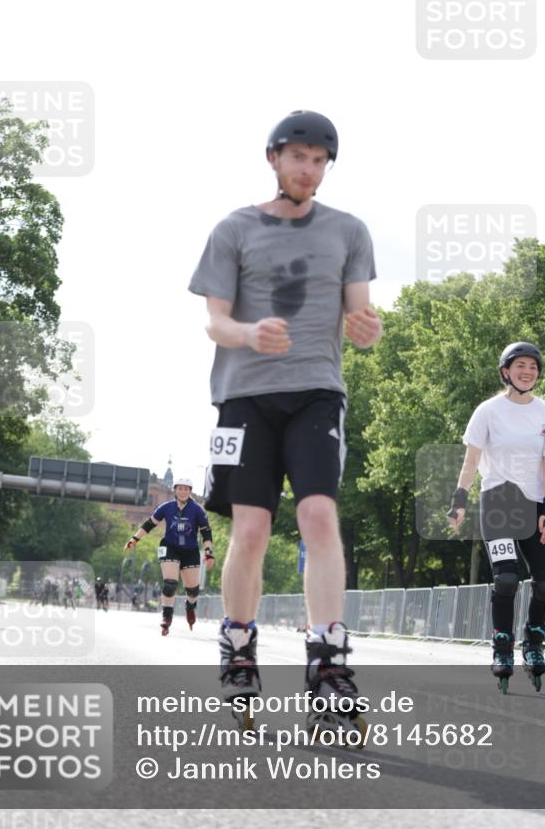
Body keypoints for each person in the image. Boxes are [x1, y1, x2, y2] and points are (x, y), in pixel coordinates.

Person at [188, 109, 382, 730]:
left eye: (320, 160)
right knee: (250, 532)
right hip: (244, 396)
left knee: (319, 515)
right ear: (273, 158)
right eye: (298, 156)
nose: (309, 169)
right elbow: (214, 321)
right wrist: (248, 332)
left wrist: (370, 330)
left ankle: (328, 662)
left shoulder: (349, 232)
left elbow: (363, 321)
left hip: (317, 393)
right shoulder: (234, 229)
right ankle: (239, 649)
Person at [448, 341, 545, 692]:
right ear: (505, 371)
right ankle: (502, 647)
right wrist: (459, 499)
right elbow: (471, 460)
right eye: (520, 366)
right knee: (507, 579)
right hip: (498, 502)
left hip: (534, 506)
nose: (527, 371)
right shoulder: (488, 411)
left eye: (533, 366)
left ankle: (533, 640)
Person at [123, 477, 215, 635]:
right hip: (170, 547)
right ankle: (167, 617)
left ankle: (190, 606)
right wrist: (135, 539)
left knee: (193, 590)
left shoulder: (197, 509)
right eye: (180, 488)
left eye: (186, 489)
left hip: (190, 550)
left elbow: (206, 532)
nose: (183, 491)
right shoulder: (166, 507)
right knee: (170, 584)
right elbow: (149, 524)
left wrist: (208, 553)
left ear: (190, 491)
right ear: (175, 490)